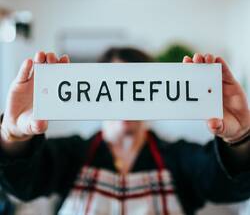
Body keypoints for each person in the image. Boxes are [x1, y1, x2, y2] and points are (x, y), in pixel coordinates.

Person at [0, 47, 250, 215]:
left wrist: (240, 138)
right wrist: (13, 135)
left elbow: (227, 186)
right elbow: (24, 184)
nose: (127, 100)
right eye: (118, 83)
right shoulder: (71, 153)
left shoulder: (180, 157)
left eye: (137, 85)